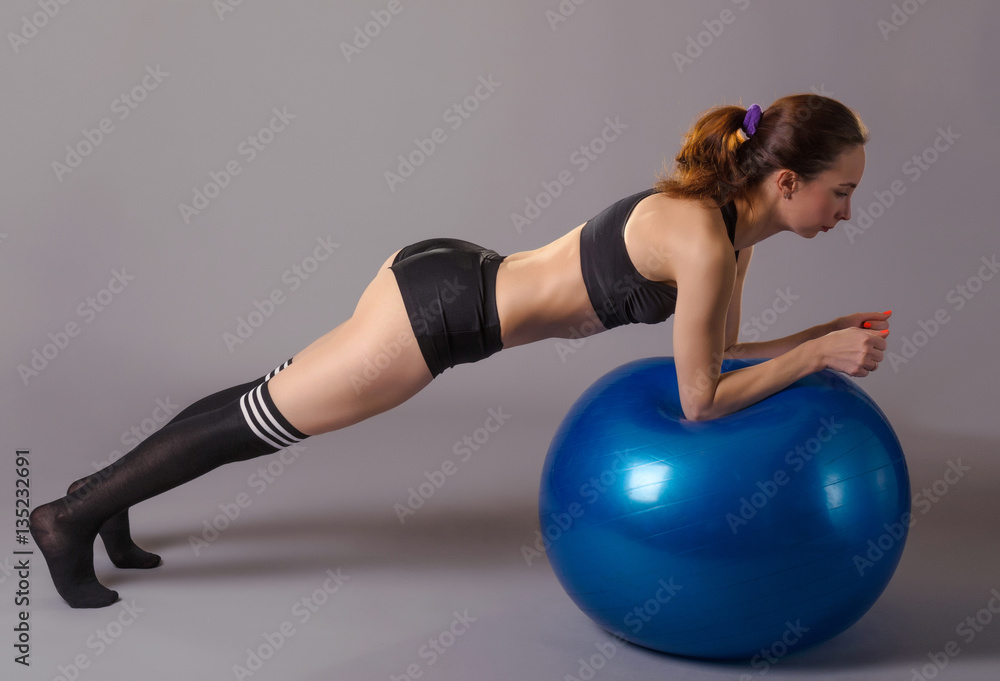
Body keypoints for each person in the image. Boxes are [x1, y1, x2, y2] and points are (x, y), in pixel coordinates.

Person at [30, 94, 891, 608]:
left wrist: (819, 336)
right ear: (787, 182)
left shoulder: (728, 235)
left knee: (265, 398)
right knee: (266, 417)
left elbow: (724, 350)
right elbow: (701, 398)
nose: (847, 212)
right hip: (440, 316)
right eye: (841, 193)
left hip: (453, 278)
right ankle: (66, 519)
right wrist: (818, 360)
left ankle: (101, 498)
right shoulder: (705, 242)